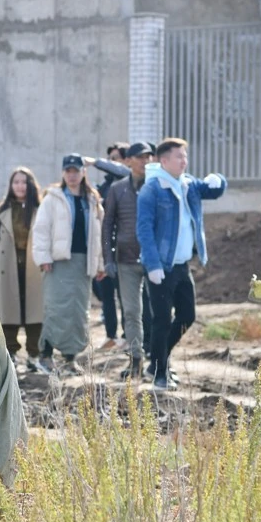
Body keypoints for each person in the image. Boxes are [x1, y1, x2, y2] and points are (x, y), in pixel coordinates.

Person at [136, 138, 227, 389]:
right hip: (161, 266)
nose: (184, 161)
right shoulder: (152, 190)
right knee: (162, 320)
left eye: (185, 156)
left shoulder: (188, 184)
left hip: (182, 265)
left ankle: (158, 362)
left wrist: (218, 180)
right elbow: (144, 230)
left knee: (187, 315)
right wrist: (152, 265)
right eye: (179, 156)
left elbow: (213, 191)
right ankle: (159, 374)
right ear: (164, 160)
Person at [32, 153, 105, 374]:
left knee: (78, 311)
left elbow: (99, 235)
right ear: (63, 173)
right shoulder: (52, 198)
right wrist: (43, 258)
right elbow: (41, 229)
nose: (72, 175)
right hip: (58, 262)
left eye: (76, 171)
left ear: (84, 172)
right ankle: (45, 355)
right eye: (68, 171)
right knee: (55, 308)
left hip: (84, 263)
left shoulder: (92, 200)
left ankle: (70, 359)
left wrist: (100, 264)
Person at [0, 167, 45, 371]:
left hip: (34, 267)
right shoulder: (1, 211)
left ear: (31, 185)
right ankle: (11, 353)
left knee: (36, 312)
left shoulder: (40, 209)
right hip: (7, 266)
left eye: (24, 182)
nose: (20, 186)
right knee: (8, 311)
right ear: (10, 186)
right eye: (16, 182)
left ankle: (34, 354)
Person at [104, 141, 154, 379]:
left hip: (154, 259)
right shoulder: (118, 189)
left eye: (148, 157)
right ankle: (136, 360)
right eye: (140, 157)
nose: (145, 161)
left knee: (157, 312)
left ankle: (159, 359)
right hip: (126, 259)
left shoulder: (156, 186)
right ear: (128, 161)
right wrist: (108, 258)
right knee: (132, 311)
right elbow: (108, 225)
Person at [87, 144, 129, 350]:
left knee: (125, 295)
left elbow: (121, 171)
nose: (113, 162)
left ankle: (128, 336)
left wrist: (95, 162)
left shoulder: (129, 182)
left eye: (116, 158)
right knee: (106, 295)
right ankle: (111, 336)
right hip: (105, 248)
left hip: (125, 249)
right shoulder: (103, 187)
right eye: (110, 158)